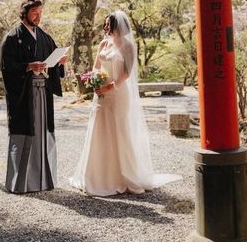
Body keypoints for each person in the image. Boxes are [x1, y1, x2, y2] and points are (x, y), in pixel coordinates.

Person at [70, 10, 180, 196]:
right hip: (101, 93)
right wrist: (94, 80)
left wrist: (109, 87)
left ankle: (123, 176)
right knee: (99, 130)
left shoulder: (128, 46)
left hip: (118, 94)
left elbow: (126, 74)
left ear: (117, 26)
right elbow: (97, 66)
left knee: (119, 131)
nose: (105, 28)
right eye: (104, 24)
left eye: (108, 25)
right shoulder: (103, 43)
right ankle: (96, 176)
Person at [0, 0, 67, 194]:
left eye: (40, 12)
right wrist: (29, 66)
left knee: (43, 133)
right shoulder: (12, 38)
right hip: (24, 95)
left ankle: (44, 181)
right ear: (25, 14)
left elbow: (52, 62)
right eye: (34, 12)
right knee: (25, 132)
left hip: (43, 93)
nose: (38, 16)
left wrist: (60, 62)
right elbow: (6, 67)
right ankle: (20, 183)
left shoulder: (44, 37)